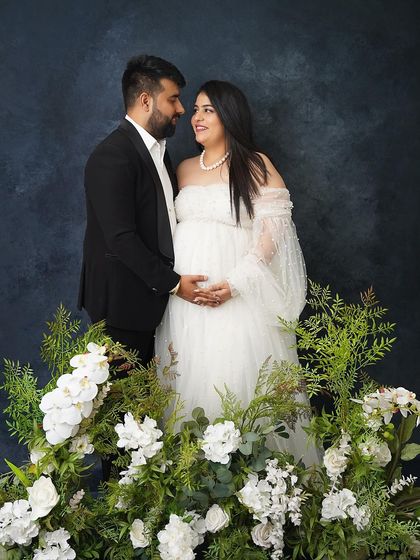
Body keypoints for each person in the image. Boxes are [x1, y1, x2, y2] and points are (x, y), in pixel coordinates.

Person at [156, 80, 319, 466]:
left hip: (237, 295)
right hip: (186, 302)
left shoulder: (255, 165)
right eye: (195, 109)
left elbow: (272, 234)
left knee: (235, 380)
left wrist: (235, 283)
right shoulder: (181, 169)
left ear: (229, 115)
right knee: (189, 384)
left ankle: (257, 496)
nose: (196, 117)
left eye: (207, 110)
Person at [78, 55, 217, 367]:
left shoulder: (159, 152)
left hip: (153, 302)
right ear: (145, 100)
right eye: (173, 99)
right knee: (123, 407)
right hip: (122, 306)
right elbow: (120, 238)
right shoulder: (112, 156)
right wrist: (175, 283)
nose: (181, 109)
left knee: (149, 407)